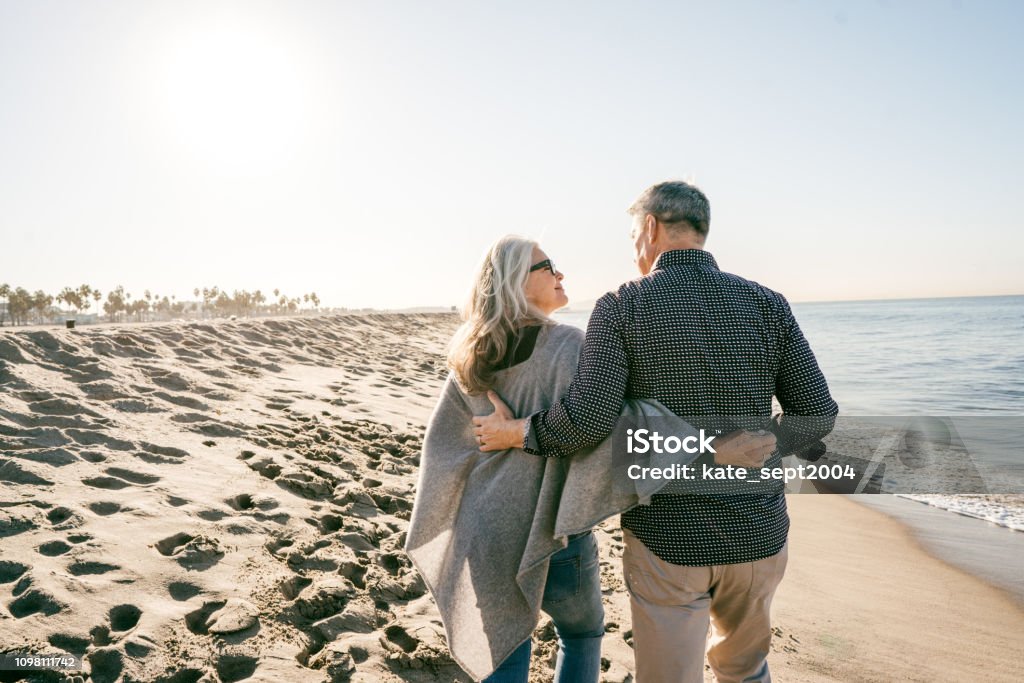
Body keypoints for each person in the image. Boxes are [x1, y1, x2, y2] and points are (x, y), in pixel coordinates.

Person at [473, 181, 839, 683]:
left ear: (650, 228)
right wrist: (761, 445)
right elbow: (816, 415)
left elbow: (587, 422)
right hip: (759, 531)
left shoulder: (623, 305)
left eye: (632, 235)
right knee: (746, 672)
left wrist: (517, 432)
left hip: (669, 535)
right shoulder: (766, 303)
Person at [405, 235, 775, 682]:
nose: (560, 273)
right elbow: (610, 426)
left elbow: (444, 446)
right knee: (580, 634)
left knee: (504, 648)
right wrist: (708, 444)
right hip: (555, 531)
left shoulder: (469, 353)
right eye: (547, 267)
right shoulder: (568, 346)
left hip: (484, 532)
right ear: (516, 282)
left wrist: (498, 444)